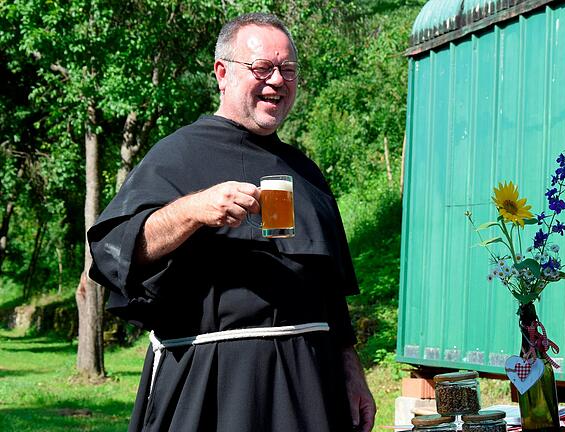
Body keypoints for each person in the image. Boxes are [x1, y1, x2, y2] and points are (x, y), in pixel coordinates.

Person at [87, 12, 376, 432]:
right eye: (263, 68)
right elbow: (116, 254)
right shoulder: (176, 155)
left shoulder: (306, 173)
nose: (277, 80)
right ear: (223, 73)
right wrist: (192, 210)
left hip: (311, 385)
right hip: (214, 385)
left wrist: (352, 370)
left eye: (288, 69)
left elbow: (329, 292)